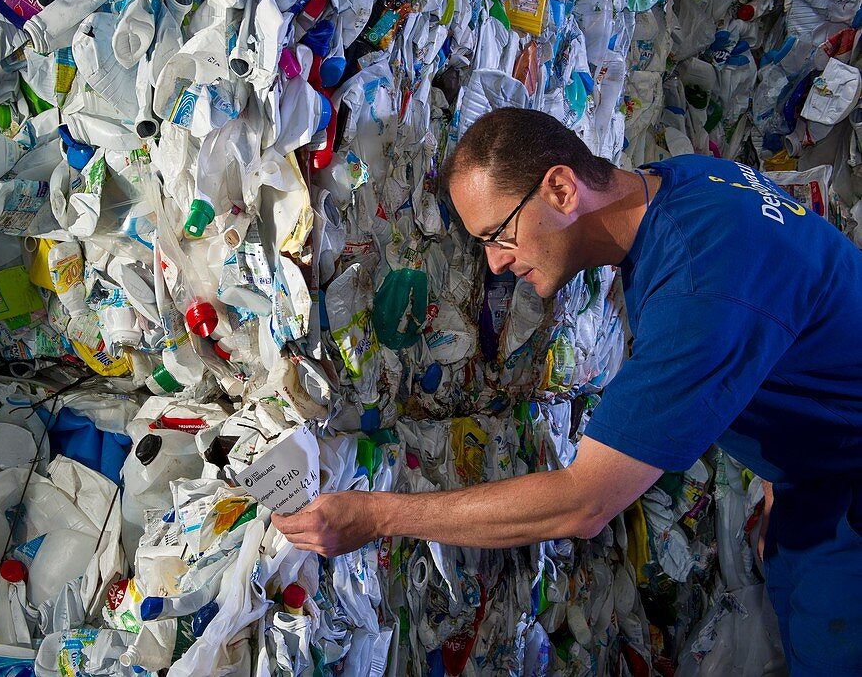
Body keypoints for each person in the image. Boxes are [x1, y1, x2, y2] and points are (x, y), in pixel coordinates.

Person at [273, 107, 862, 674]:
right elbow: (791, 315)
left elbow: (586, 502)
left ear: (560, 189)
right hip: (817, 481)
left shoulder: (700, 288)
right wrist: (783, 478)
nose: (496, 264)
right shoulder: (681, 183)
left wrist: (376, 515)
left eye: (498, 235)